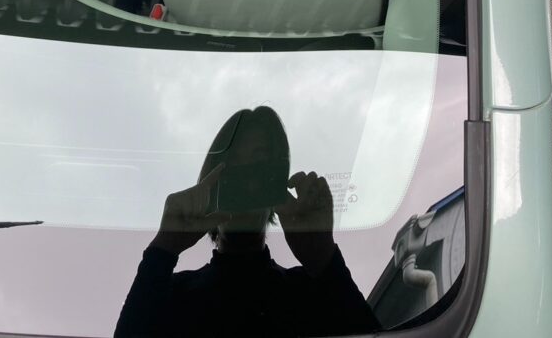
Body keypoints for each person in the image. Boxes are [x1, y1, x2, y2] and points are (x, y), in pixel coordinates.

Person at [114, 107, 380, 337]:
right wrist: (164, 248)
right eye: (232, 168)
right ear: (211, 185)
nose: (247, 183)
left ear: (276, 184)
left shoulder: (310, 294)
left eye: (259, 167)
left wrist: (323, 259)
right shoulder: (170, 296)